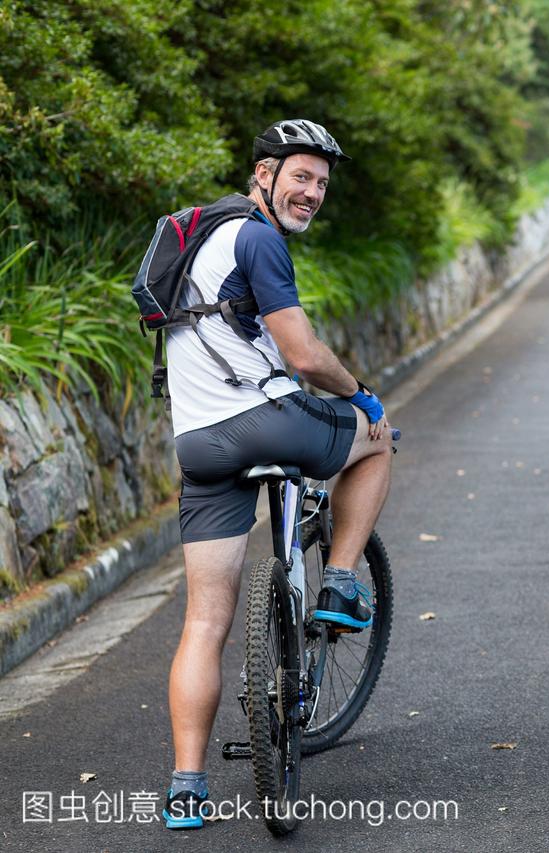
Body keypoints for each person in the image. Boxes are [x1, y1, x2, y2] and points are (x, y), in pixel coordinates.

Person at [160, 119, 394, 830]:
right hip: (263, 420)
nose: (313, 192)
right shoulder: (258, 237)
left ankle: (186, 786)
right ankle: (341, 580)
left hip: (197, 442)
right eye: (301, 175)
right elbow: (303, 356)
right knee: (378, 441)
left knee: (204, 619)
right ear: (263, 173)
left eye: (322, 182)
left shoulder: (205, 239)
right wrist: (360, 394)